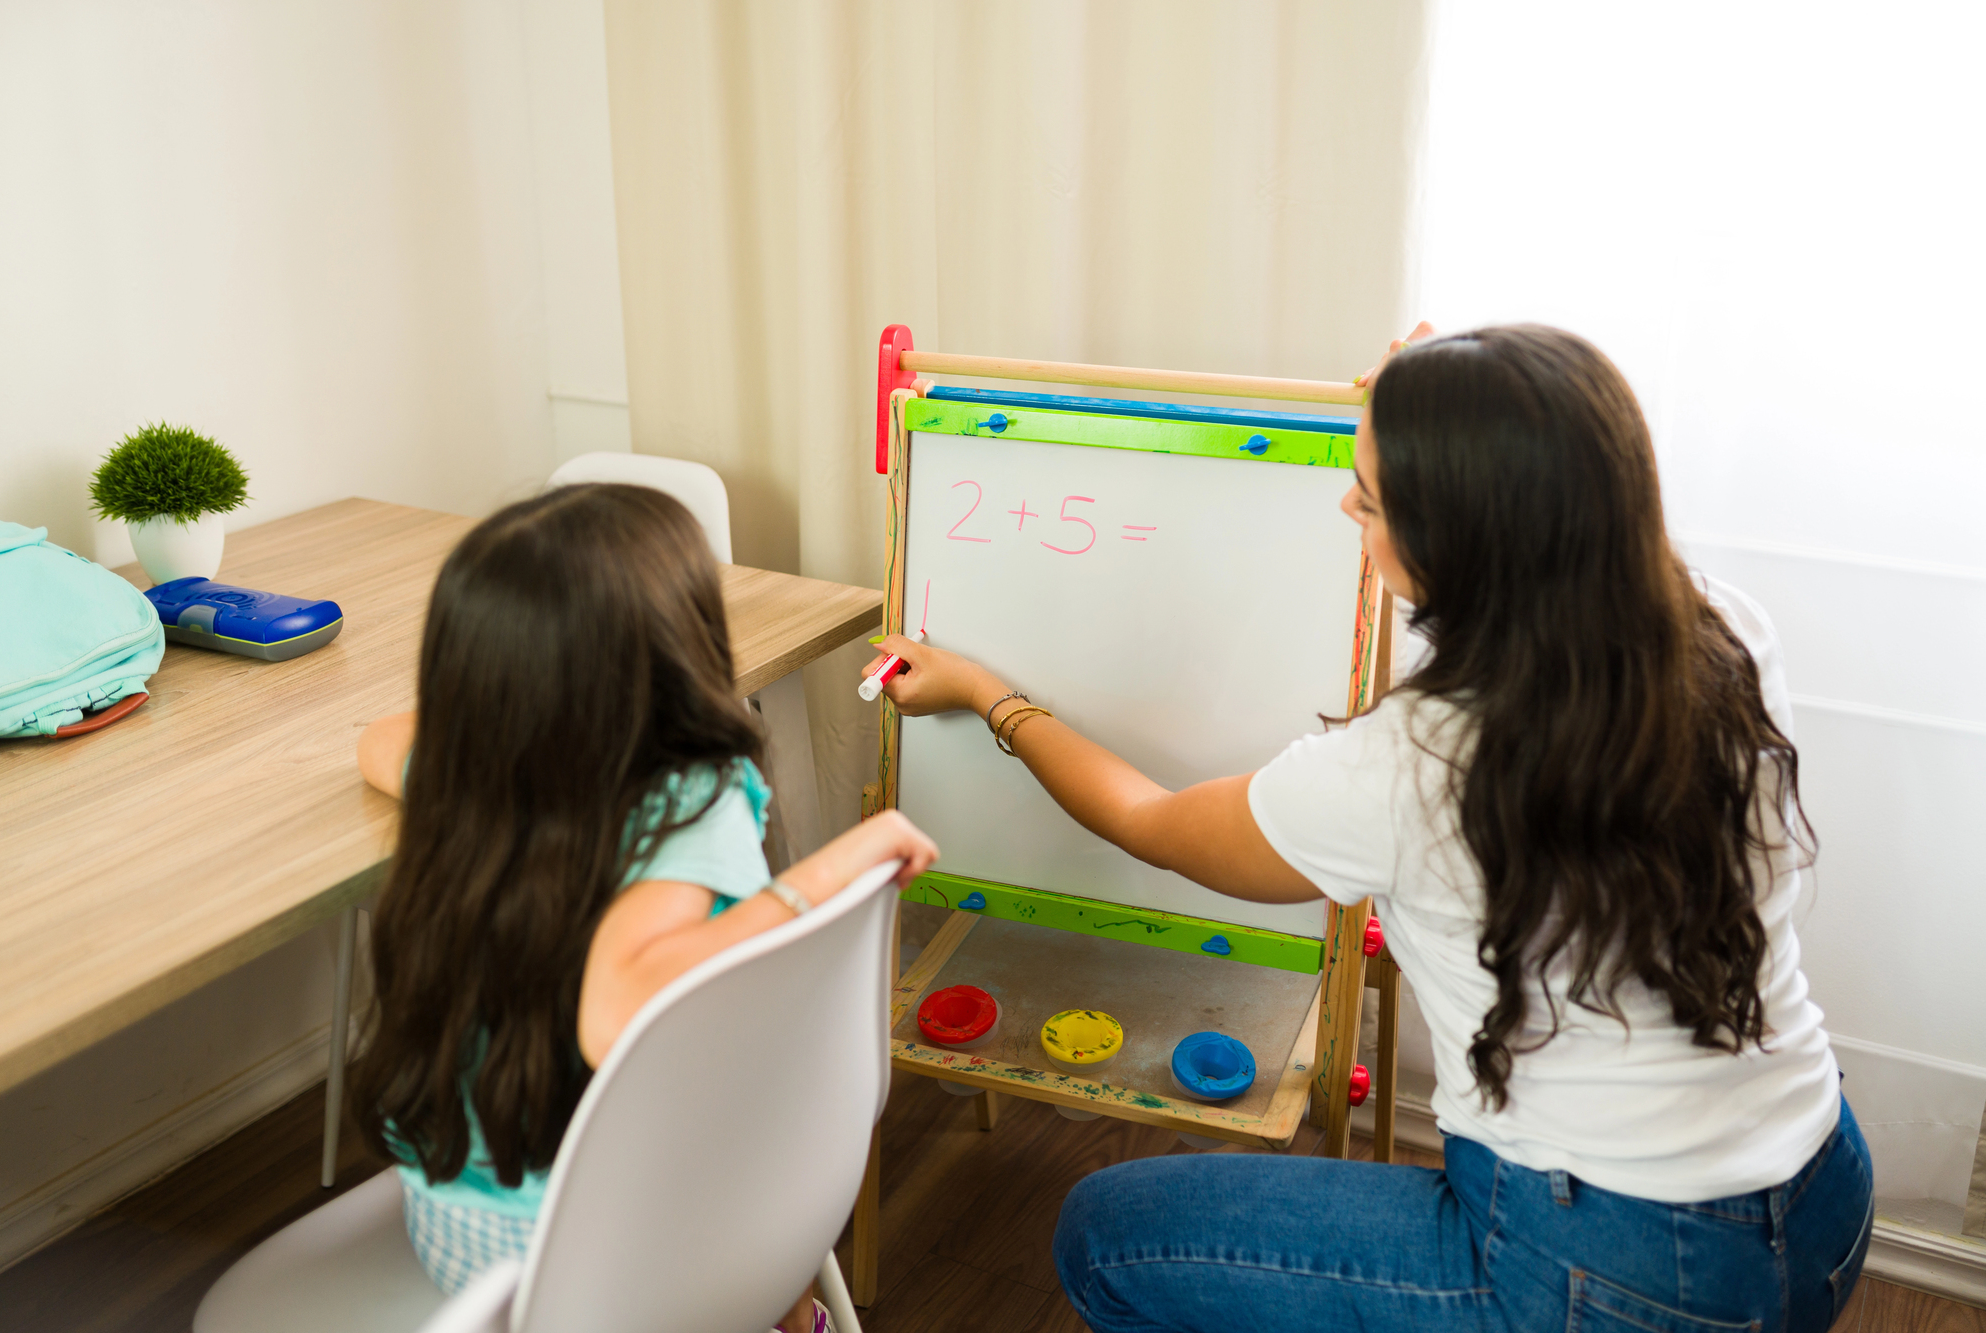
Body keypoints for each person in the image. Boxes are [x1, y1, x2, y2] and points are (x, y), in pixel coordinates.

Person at [864, 324, 1871, 1332]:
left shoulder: (1410, 767)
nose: (1345, 501)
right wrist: (1435, 388)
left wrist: (990, 696)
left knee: (1106, 1234)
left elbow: (1147, 820)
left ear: (1456, 545)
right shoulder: (1722, 629)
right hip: (1818, 1198)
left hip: (1607, 1271)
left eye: (1372, 495)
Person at [351, 484, 938, 1330]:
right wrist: (822, 874)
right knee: (746, 1185)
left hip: (463, 1241)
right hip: (599, 1269)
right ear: (678, 646)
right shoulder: (691, 800)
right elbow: (619, 1009)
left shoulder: (473, 780)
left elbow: (377, 740)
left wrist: (473, 726)